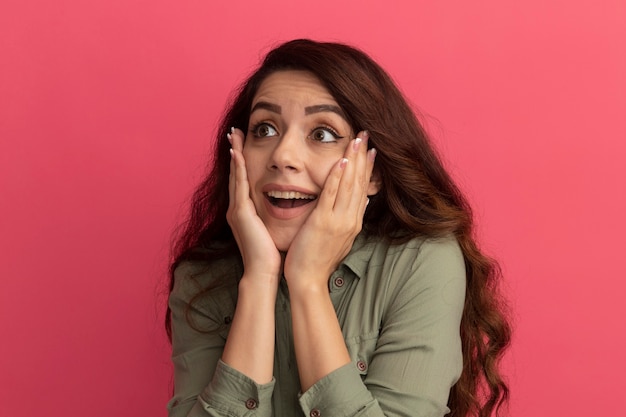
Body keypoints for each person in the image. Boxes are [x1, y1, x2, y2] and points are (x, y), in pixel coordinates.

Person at [165, 39, 510, 417]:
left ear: (372, 172)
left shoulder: (421, 262)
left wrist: (308, 282)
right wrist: (259, 279)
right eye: (264, 129)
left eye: (322, 134)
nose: (282, 156)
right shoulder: (201, 278)